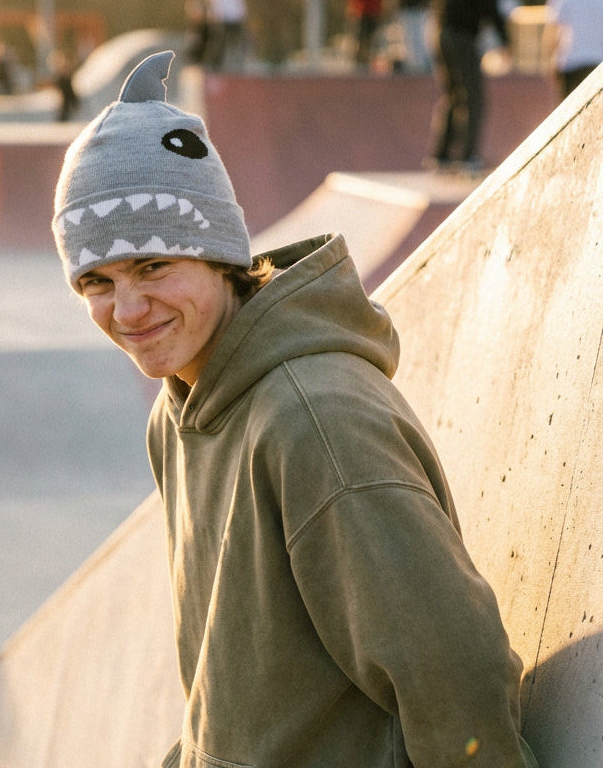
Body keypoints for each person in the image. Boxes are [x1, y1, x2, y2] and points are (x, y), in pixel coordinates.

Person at [52, 51, 539, 768]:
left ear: (218, 257)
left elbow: (455, 679)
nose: (127, 310)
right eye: (97, 281)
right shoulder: (180, 412)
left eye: (153, 266)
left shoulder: (315, 423)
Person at [426, 0, 511, 172]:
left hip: (443, 32)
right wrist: (506, 41)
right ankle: (468, 156)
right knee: (474, 97)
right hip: (462, 36)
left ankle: (442, 155)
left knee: (453, 96)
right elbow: (491, 9)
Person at [544, 0, 603, 100]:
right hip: (596, 61)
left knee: (569, 106)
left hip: (570, 62)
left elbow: (552, 31)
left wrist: (549, 61)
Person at [347, 0, 383, 69]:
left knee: (371, 39)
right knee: (360, 39)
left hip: (373, 12)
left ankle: (367, 61)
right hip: (361, 13)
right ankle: (360, 60)